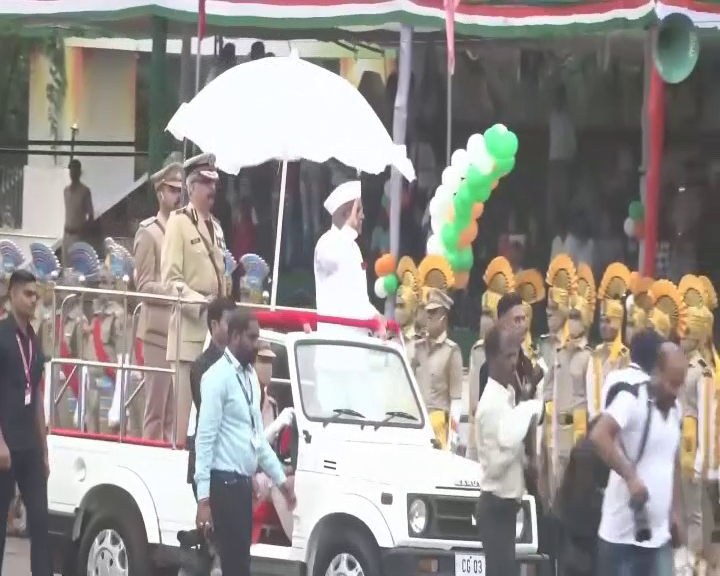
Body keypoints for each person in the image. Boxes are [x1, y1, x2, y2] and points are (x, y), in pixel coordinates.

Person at [194, 309, 296, 576]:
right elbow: (204, 440)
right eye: (251, 338)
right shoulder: (216, 378)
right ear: (235, 336)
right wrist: (203, 500)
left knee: (241, 564)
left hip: (241, 486)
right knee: (234, 564)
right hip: (223, 484)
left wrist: (282, 482)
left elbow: (257, 440)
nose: (256, 344)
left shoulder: (250, 377)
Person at [591, 341, 685, 576]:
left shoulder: (677, 409)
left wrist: (675, 512)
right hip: (621, 541)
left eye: (680, 384)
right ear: (657, 372)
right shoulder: (632, 398)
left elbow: (673, 463)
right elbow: (599, 435)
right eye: (671, 383)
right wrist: (631, 477)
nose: (675, 391)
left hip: (659, 539)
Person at [161, 153, 227, 448]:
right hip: (189, 337)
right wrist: (201, 302)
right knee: (183, 429)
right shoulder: (179, 223)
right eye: (204, 182)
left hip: (215, 337)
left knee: (212, 423)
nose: (211, 189)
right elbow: (170, 281)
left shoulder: (218, 228)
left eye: (214, 182)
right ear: (191, 187)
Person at [474, 325, 543, 576]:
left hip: (506, 507)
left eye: (516, 355)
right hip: (496, 508)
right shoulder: (492, 403)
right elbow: (494, 465)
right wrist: (526, 412)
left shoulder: (506, 396)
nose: (514, 363)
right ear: (492, 358)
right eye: (507, 356)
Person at [0, 270, 52, 576]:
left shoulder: (34, 340)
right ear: (12, 295)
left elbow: (38, 399)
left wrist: (44, 450)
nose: (34, 300)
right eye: (28, 294)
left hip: (30, 446)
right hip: (5, 446)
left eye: (36, 295)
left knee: (42, 522)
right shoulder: (2, 335)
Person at [135, 155, 183, 442]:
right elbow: (143, 285)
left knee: (173, 412)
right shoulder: (149, 232)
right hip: (156, 331)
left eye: (180, 190)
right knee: (155, 409)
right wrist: (172, 291)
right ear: (160, 192)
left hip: (179, 330)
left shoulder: (182, 231)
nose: (177, 196)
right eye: (172, 190)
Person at [313, 180, 385, 336]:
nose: (363, 216)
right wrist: (348, 228)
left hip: (358, 340)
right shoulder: (326, 242)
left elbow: (358, 297)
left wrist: (374, 315)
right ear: (347, 214)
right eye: (359, 211)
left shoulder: (355, 248)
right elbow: (335, 258)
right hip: (335, 342)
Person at [187, 297, 237, 499]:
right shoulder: (202, 366)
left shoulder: (237, 362)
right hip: (209, 461)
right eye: (229, 323)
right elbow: (208, 412)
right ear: (214, 325)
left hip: (230, 461)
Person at [467, 256, 515, 461]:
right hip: (476, 432)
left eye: (489, 314)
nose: (483, 319)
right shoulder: (476, 351)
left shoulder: (511, 353)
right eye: (482, 313)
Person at [413, 288, 463, 450]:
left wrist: (453, 440)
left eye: (434, 312)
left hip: (438, 424)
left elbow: (456, 399)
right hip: (416, 421)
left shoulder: (452, 351)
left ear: (444, 316)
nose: (429, 316)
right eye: (428, 311)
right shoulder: (418, 348)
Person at [586, 263, 632, 420]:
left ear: (618, 322)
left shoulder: (626, 356)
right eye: (601, 321)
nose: (603, 326)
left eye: (608, 321)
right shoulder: (594, 354)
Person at [62, 159, 93, 269]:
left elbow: (90, 215)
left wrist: (83, 229)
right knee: (66, 267)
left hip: (78, 235)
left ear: (79, 172)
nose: (73, 173)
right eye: (71, 170)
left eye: (75, 170)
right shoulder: (66, 191)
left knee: (77, 268)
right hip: (66, 235)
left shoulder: (85, 191)